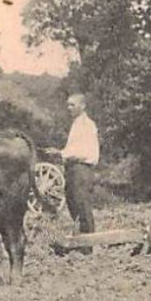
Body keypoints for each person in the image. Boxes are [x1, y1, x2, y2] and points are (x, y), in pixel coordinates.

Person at [56, 93, 99, 251]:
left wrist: (62, 153)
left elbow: (83, 151)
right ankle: (81, 242)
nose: (69, 108)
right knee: (73, 204)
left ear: (83, 106)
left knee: (82, 206)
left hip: (82, 168)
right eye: (68, 105)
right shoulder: (76, 124)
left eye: (72, 105)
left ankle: (88, 246)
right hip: (73, 169)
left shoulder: (87, 125)